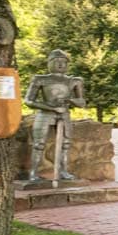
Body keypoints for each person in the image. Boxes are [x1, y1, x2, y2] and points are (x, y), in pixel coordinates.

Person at [23, 49, 86, 182]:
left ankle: (63, 171)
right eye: (56, 61)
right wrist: (51, 107)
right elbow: (29, 101)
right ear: (50, 62)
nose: (60, 64)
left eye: (63, 62)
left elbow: (81, 102)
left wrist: (69, 101)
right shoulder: (40, 79)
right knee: (38, 144)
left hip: (64, 114)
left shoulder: (74, 81)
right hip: (45, 114)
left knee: (66, 144)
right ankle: (33, 173)